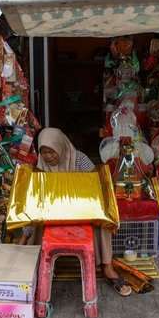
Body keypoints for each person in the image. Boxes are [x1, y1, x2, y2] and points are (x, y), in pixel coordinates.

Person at [20, 127, 132, 297]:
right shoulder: (41, 167)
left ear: (61, 146)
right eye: (44, 153)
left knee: (101, 219)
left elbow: (97, 189)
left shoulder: (79, 159)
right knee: (36, 215)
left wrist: (111, 218)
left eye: (52, 151)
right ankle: (32, 264)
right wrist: (23, 238)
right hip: (53, 215)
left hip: (81, 213)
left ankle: (107, 267)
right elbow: (34, 202)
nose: (48, 156)